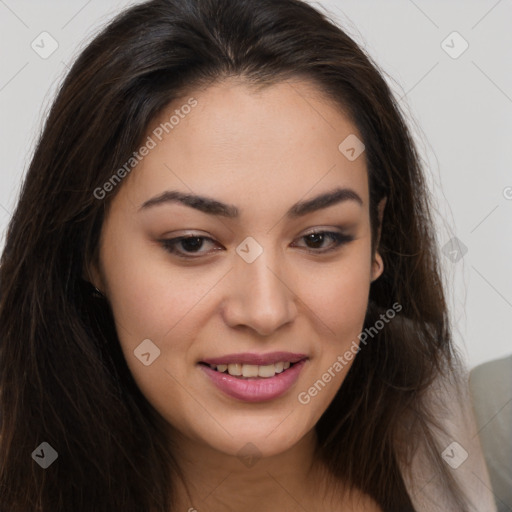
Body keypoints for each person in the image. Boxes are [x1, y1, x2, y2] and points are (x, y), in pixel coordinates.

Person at [0, 0, 497, 510]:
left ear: (377, 241)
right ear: (89, 252)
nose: (265, 311)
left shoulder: (479, 437)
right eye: (192, 243)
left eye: (319, 238)